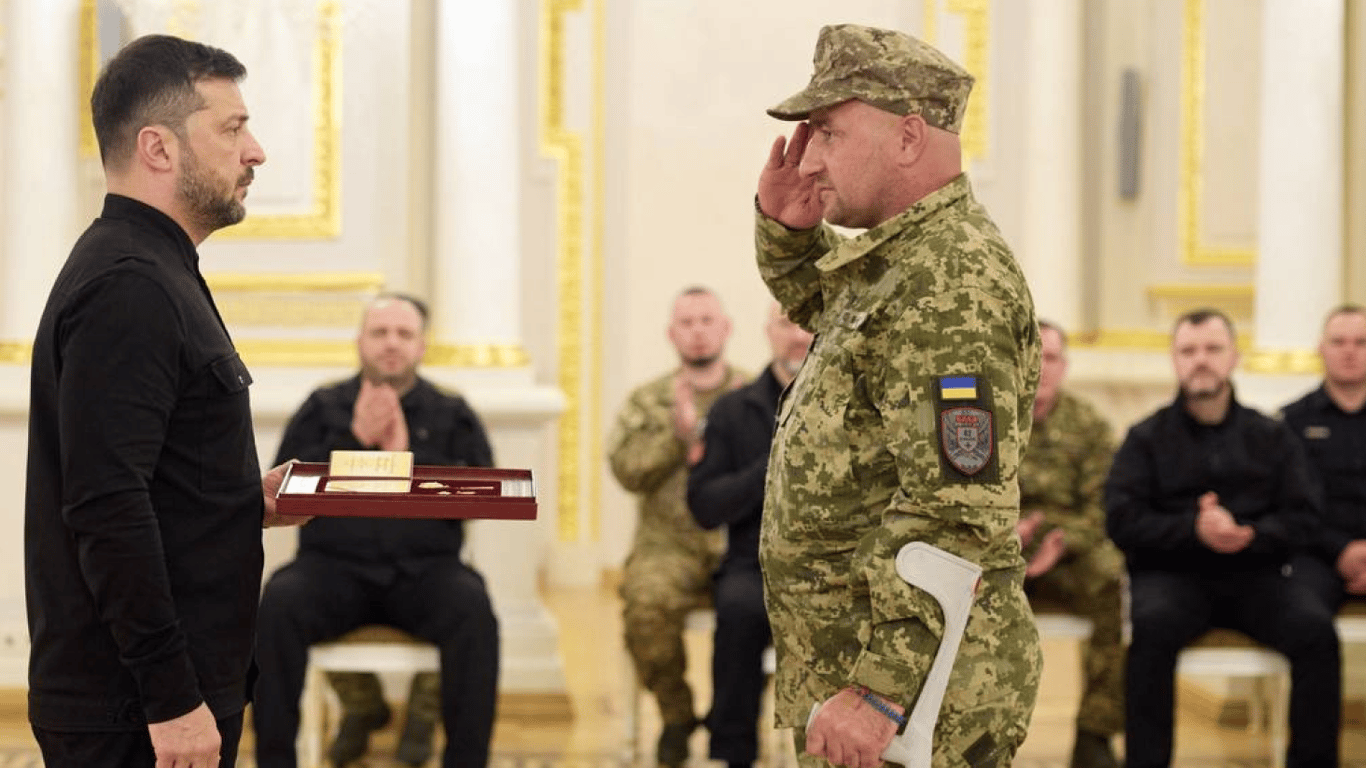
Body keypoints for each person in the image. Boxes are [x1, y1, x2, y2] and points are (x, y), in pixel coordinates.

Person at [755, 24, 1042, 768]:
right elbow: (832, 314)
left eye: (828, 132)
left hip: (915, 701)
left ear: (909, 137)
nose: (809, 158)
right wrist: (789, 232)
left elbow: (959, 508)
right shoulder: (901, 259)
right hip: (865, 671)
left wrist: (880, 694)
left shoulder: (953, 280)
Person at [24, 33, 295, 768]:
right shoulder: (131, 285)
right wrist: (172, 700)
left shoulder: (152, 267)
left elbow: (146, 475)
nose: (255, 152)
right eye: (232, 129)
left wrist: (238, 501)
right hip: (138, 711)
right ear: (158, 148)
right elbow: (107, 506)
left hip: (154, 698)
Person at [253, 294, 500, 768]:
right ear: (360, 342)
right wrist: (355, 440)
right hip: (332, 570)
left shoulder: (451, 410)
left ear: (422, 346)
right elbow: (281, 492)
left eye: (404, 334)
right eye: (380, 333)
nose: (391, 344)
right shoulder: (323, 405)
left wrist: (407, 460)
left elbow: (481, 495)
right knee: (278, 602)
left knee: (474, 608)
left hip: (427, 573)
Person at [1104, 308, 1339, 768]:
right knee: (1148, 633)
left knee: (1316, 633)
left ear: (1234, 357)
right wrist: (1192, 530)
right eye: (1188, 350)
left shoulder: (1271, 436)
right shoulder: (1144, 438)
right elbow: (1122, 521)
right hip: (1172, 579)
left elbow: (1304, 516)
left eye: (1213, 349)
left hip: (1257, 577)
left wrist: (1250, 534)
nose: (1201, 360)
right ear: (1175, 360)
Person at [607, 286, 747, 768]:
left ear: (726, 328)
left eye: (707, 320)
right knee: (645, 607)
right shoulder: (648, 401)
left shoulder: (751, 394)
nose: (698, 331)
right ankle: (676, 715)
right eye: (687, 322)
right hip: (666, 545)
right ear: (671, 334)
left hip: (739, 543)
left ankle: (735, 718)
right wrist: (677, 437)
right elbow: (626, 470)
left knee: (764, 610)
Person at [686, 303, 812, 768]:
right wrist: (769, 468)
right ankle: (732, 751)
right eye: (786, 323)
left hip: (832, 563)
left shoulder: (854, 404)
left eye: (809, 322)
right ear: (768, 332)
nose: (798, 335)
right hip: (753, 561)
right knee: (738, 610)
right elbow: (704, 505)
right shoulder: (733, 410)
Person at [1015, 320, 1124, 768]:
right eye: (1034, 355)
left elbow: (1106, 508)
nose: (1042, 366)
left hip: (1067, 553)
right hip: (998, 551)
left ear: (1065, 366)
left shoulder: (1089, 424)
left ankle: (1095, 734)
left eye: (1052, 357)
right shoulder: (987, 418)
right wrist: (1006, 536)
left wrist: (1061, 543)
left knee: (1111, 578)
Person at [1282, 305, 1366, 612]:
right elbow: (1289, 504)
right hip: (1317, 555)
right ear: (1321, 349)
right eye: (1338, 342)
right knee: (1299, 614)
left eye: (1361, 342)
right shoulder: (1291, 422)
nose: (1349, 352)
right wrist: (1340, 550)